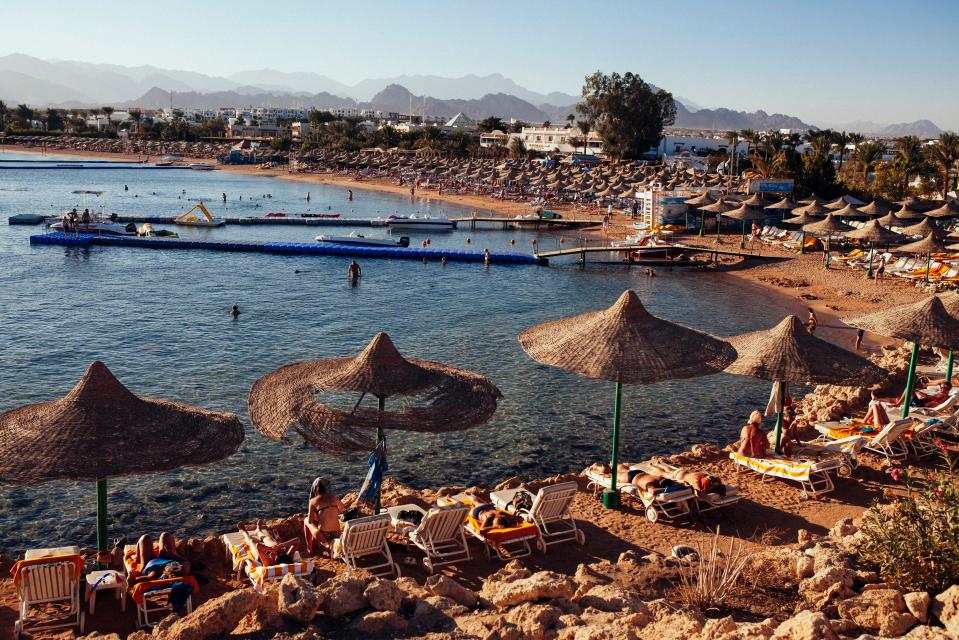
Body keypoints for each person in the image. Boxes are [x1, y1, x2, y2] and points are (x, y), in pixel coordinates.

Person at [303, 478, 344, 556]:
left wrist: (317, 516)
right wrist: (335, 512)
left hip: (324, 536)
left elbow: (310, 521)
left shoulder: (313, 501)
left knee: (306, 520)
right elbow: (342, 507)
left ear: (315, 489)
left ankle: (309, 549)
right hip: (336, 534)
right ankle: (318, 545)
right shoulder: (333, 497)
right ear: (325, 488)